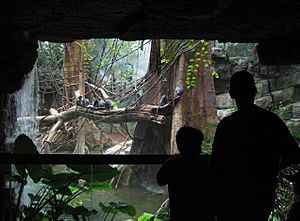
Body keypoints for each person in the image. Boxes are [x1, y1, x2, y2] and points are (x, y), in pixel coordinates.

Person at [211, 70, 300, 221]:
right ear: (254, 92)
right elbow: (293, 154)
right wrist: (272, 168)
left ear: (232, 94)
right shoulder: (271, 121)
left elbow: (216, 165)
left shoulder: (227, 126)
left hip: (231, 197)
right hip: (261, 194)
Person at [157, 126, 216, 221]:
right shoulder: (202, 165)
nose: (200, 149)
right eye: (199, 145)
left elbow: (160, 180)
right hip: (200, 214)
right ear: (195, 146)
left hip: (179, 213)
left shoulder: (172, 164)